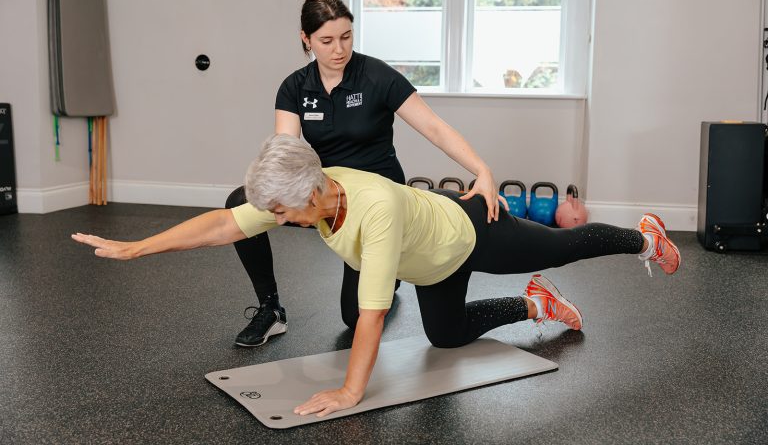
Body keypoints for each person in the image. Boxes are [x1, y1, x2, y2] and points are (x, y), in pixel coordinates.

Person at [72, 134, 681, 419]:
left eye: (282, 212)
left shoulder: (374, 211)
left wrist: (349, 392)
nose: (278, 221)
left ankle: (643, 238)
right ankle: (533, 305)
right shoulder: (306, 190)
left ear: (310, 194)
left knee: (563, 243)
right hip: (433, 263)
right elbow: (225, 225)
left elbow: (371, 316)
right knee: (445, 337)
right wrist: (134, 250)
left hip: (471, 232)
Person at [225, 0, 508, 348]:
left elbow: (434, 128)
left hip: (377, 204)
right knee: (239, 202)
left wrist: (482, 170)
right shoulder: (294, 87)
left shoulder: (377, 76)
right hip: (327, 198)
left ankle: (389, 271)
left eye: (346, 36)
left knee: (354, 317)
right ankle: (270, 309)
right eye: (326, 40)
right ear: (306, 39)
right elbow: (286, 156)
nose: (339, 49)